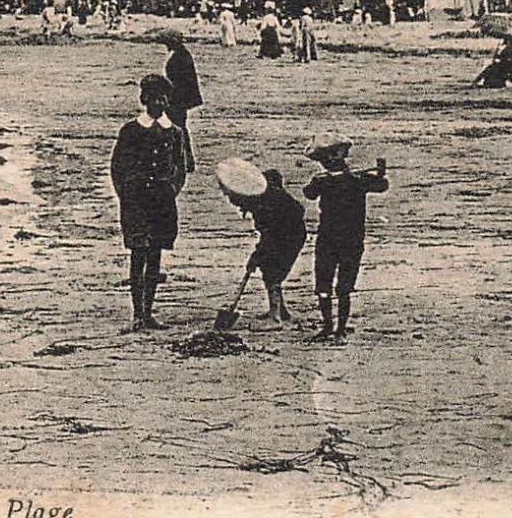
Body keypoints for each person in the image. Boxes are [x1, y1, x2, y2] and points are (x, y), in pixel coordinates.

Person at [110, 75, 187, 332]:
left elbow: (181, 167)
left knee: (154, 255)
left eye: (163, 97)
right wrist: (126, 195)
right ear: (144, 100)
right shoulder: (131, 130)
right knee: (138, 253)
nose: (159, 102)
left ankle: (149, 311)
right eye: (154, 97)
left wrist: (171, 190)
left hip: (162, 202)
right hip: (136, 201)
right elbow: (117, 167)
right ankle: (138, 314)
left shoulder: (174, 132)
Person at [302, 134, 389, 343]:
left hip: (328, 238)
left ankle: (329, 327)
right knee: (343, 288)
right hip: (351, 239)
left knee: (324, 285)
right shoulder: (357, 181)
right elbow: (382, 185)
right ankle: (339, 329)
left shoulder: (323, 182)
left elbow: (309, 193)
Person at [218, 159, 306, 327]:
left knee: (273, 273)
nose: (230, 199)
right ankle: (282, 310)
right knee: (269, 269)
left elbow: (270, 236)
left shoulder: (264, 202)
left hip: (289, 236)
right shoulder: (261, 198)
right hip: (287, 233)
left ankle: (275, 317)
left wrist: (257, 255)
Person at [154, 29, 202, 173]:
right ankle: (185, 161)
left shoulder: (178, 58)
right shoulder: (182, 55)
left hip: (177, 100)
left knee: (177, 129)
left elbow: (179, 83)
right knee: (179, 129)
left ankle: (183, 161)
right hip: (181, 100)